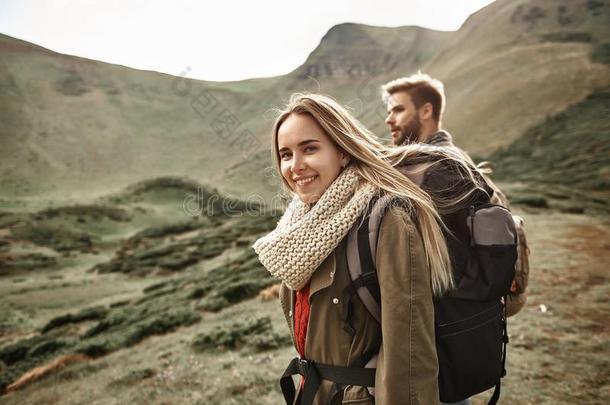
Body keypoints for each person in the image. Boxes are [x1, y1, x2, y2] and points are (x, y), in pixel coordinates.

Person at [253, 93, 454, 404]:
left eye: (309, 148)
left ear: (342, 151)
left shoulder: (385, 220)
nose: (295, 166)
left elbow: (410, 352)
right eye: (285, 154)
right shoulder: (298, 227)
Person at [381, 73, 525, 405]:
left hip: (440, 330)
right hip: (456, 329)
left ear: (426, 110)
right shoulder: (452, 160)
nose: (389, 119)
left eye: (398, 110)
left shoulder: (438, 170)